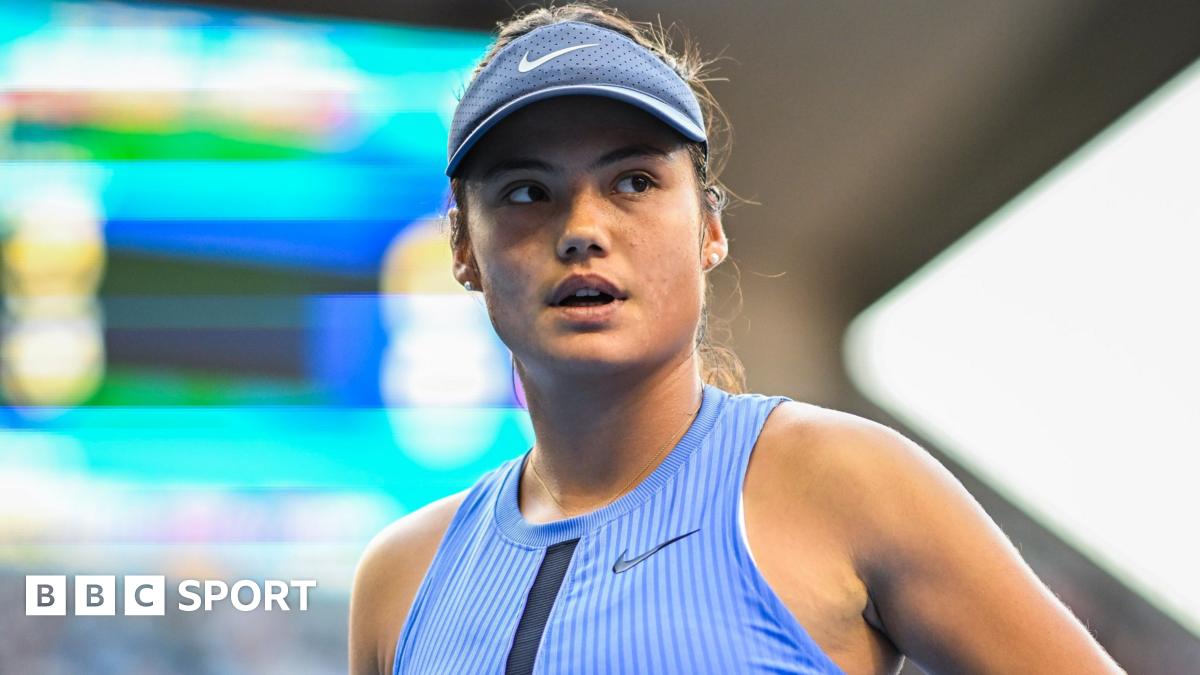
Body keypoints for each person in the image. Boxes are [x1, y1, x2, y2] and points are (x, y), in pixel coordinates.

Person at [350, 3, 1125, 673]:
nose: (583, 230)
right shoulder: (400, 579)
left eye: (633, 182)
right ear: (462, 248)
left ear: (710, 227)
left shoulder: (848, 483)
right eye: (527, 191)